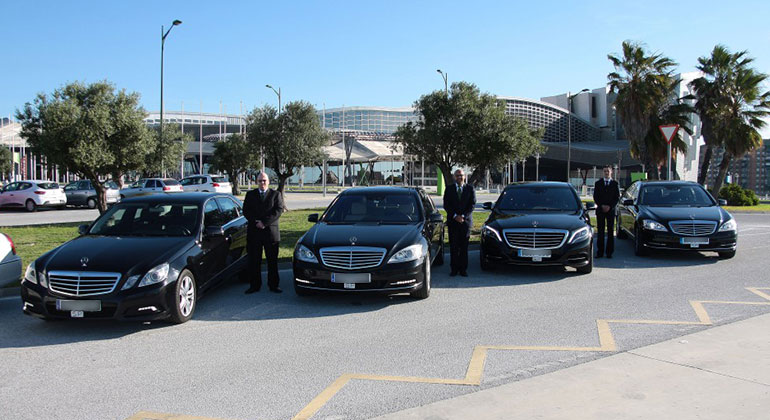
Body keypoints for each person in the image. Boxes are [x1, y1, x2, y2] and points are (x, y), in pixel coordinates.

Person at [242, 172, 284, 294]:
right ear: (256, 182)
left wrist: (264, 223)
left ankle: (274, 285)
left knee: (272, 261)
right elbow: (246, 210)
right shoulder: (250, 195)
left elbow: (278, 210)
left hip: (271, 233)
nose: (262, 183)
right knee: (254, 261)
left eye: (264, 180)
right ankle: (254, 285)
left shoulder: (275, 195)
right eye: (260, 181)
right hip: (254, 233)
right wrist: (256, 222)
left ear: (268, 182)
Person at [443, 169, 476, 276]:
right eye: (457, 175)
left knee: (464, 247)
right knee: (453, 246)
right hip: (453, 222)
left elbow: (472, 205)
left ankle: (463, 269)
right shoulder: (449, 189)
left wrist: (462, 216)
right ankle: (454, 269)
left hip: (465, 222)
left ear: (464, 177)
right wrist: (455, 216)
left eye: (461, 175)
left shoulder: (470, 189)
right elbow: (446, 205)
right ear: (454, 177)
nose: (459, 177)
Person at [593, 166, 620, 259]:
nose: (606, 173)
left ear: (611, 172)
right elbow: (595, 196)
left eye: (608, 171)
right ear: (602, 172)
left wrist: (610, 206)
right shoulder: (598, 183)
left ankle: (609, 252)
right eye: (604, 171)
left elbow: (617, 197)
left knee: (610, 231)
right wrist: (601, 206)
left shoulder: (615, 184)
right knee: (600, 231)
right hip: (600, 210)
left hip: (611, 211)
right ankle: (600, 252)